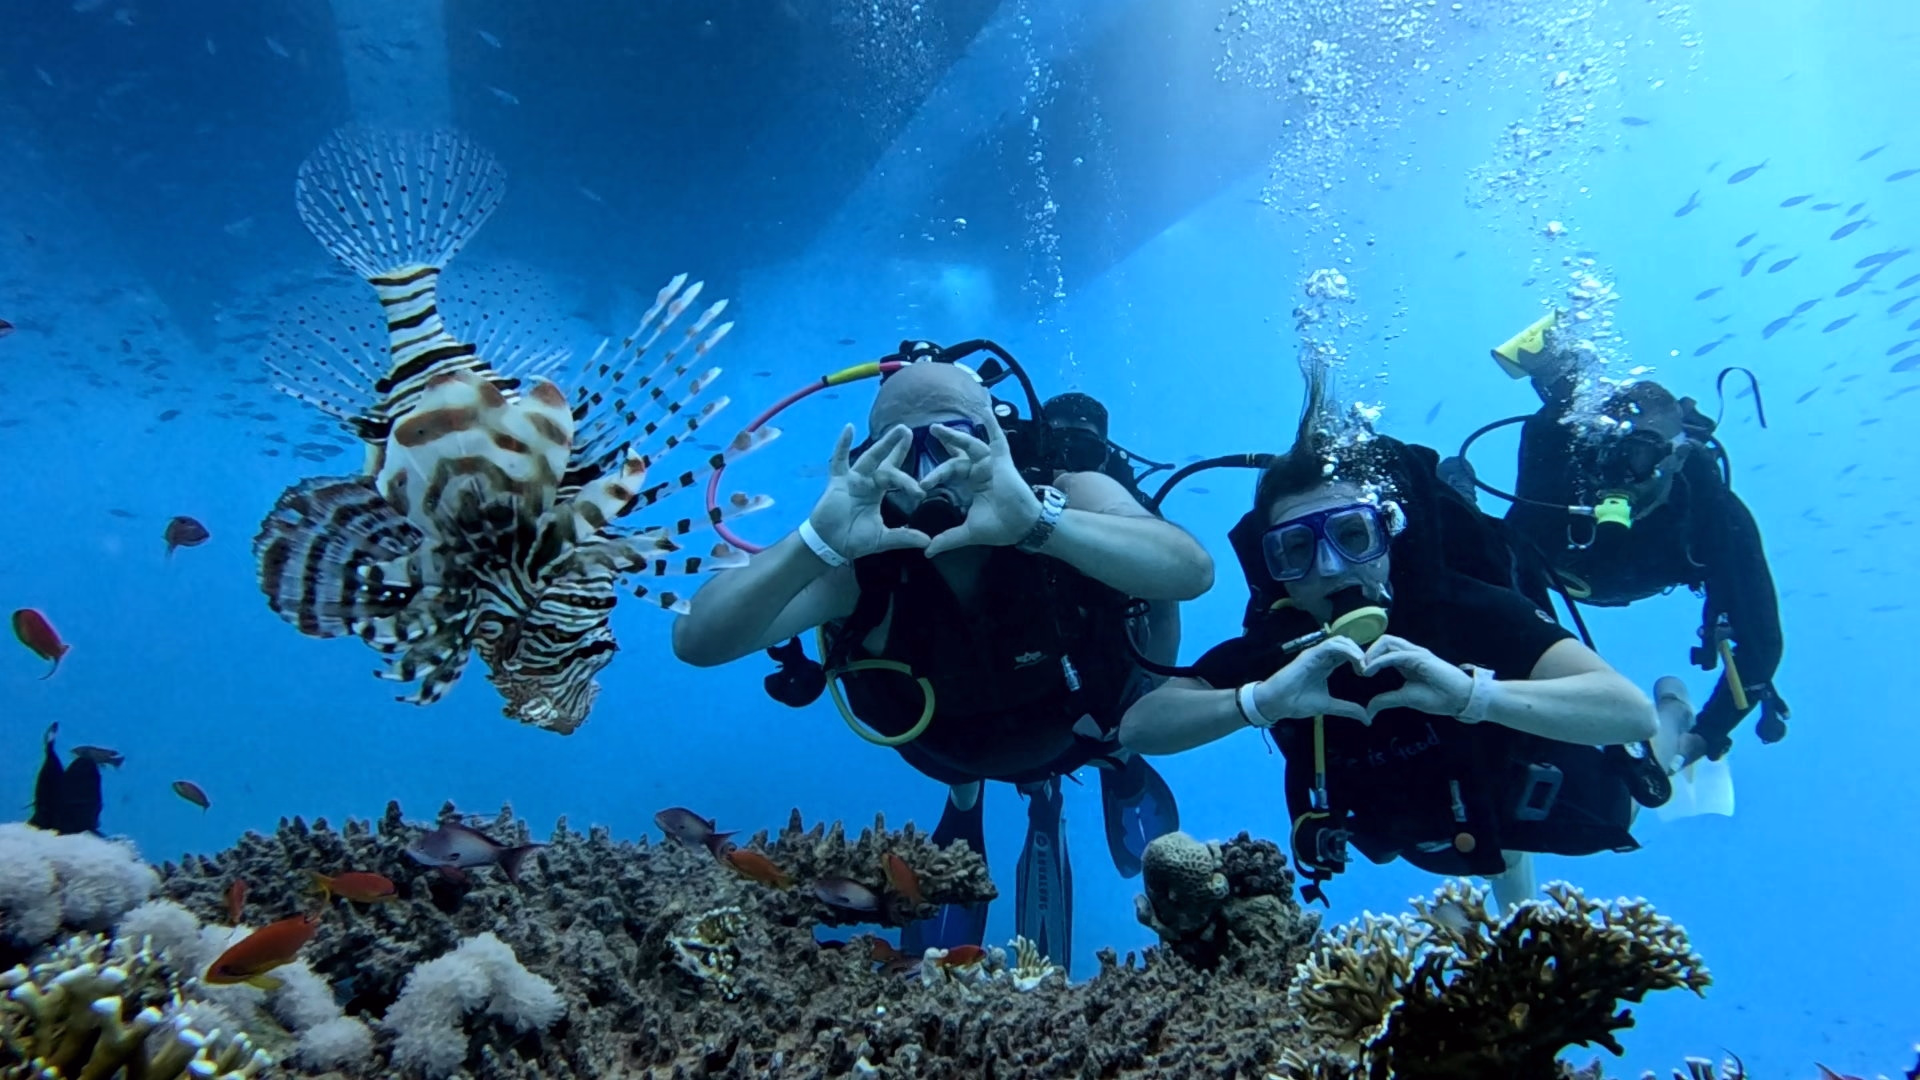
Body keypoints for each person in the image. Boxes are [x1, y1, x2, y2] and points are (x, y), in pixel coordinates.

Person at [672, 351, 1213, 969]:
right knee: (961, 768)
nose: (931, 472)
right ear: (872, 457)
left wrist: (1040, 527)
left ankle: (1122, 758)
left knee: (1126, 684)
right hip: (948, 746)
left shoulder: (1064, 495)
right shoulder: (858, 555)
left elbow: (1190, 572)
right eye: (904, 449)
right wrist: (815, 543)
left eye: (957, 440)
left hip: (1085, 725)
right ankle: (967, 804)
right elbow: (698, 642)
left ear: (999, 438)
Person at [1120, 365, 1656, 911]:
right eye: (1297, 550)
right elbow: (1140, 727)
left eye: (1353, 535)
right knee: (1498, 865)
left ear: (1387, 535)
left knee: (1637, 786)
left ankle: (1684, 729)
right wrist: (1260, 701)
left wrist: (1473, 696)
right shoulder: (1284, 646)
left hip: (1531, 794)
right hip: (1420, 833)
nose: (1331, 568)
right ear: (1274, 568)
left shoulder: (1463, 610)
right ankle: (1512, 899)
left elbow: (1631, 712)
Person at [1452, 311, 1787, 789]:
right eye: (1615, 455)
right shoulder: (1559, 456)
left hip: (1606, 571)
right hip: (1546, 563)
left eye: (1646, 458)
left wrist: (1706, 736)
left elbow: (1761, 646)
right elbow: (1502, 566)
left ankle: (1672, 713)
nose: (1623, 478)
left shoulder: (1713, 513)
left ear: (1677, 458)